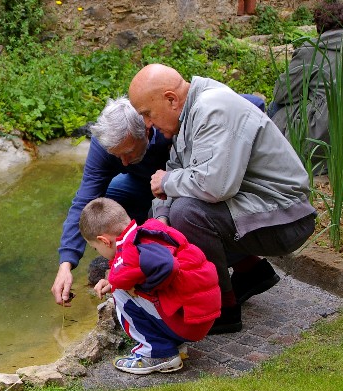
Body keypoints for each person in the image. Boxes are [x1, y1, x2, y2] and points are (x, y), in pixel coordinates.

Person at [128, 64, 317, 334]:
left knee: (187, 213)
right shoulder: (187, 117)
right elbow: (170, 180)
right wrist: (160, 220)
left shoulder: (213, 108)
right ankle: (251, 272)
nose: (147, 124)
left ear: (170, 99)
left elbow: (214, 187)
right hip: (259, 210)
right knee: (171, 215)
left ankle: (221, 308)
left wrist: (168, 185)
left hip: (287, 218)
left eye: (147, 114)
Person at [51, 94, 265, 308]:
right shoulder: (105, 144)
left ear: (145, 130)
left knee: (177, 215)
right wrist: (66, 264)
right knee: (109, 200)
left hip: (185, 184)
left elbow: (254, 103)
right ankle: (127, 265)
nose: (124, 163)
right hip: (147, 183)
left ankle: (240, 266)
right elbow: (85, 202)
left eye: (128, 152)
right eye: (118, 157)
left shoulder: (167, 123)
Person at [80, 197, 221, 374]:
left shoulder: (129, 251)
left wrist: (138, 288)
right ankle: (173, 345)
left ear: (104, 241)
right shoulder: (149, 231)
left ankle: (157, 353)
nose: (97, 252)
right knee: (124, 286)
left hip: (187, 324)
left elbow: (168, 265)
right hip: (201, 318)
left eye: (95, 248)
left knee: (120, 291)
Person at [269, 1, 343, 175]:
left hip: (323, 131)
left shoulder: (313, 49)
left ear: (319, 26)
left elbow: (281, 94)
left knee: (276, 106)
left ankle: (274, 154)